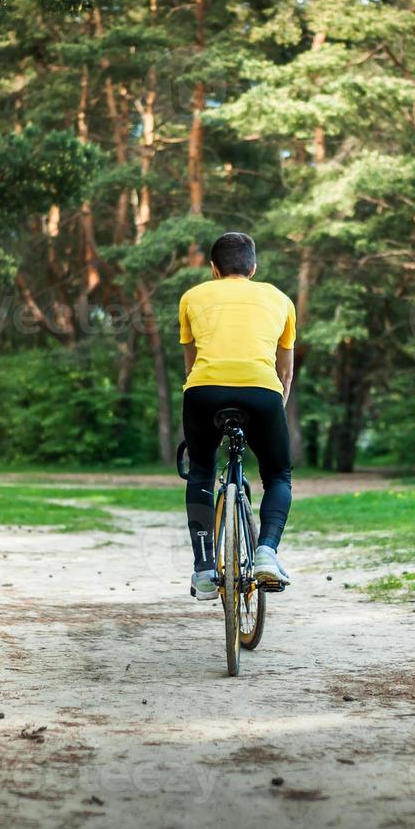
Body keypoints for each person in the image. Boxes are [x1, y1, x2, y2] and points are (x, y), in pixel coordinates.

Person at [178, 231, 295, 599]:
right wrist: (274, 412)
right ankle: (266, 552)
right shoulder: (280, 299)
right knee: (278, 475)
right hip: (262, 392)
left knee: (200, 471)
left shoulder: (192, 297)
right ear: (253, 268)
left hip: (204, 391)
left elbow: (190, 365)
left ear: (213, 269)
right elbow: (285, 373)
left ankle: (202, 569)